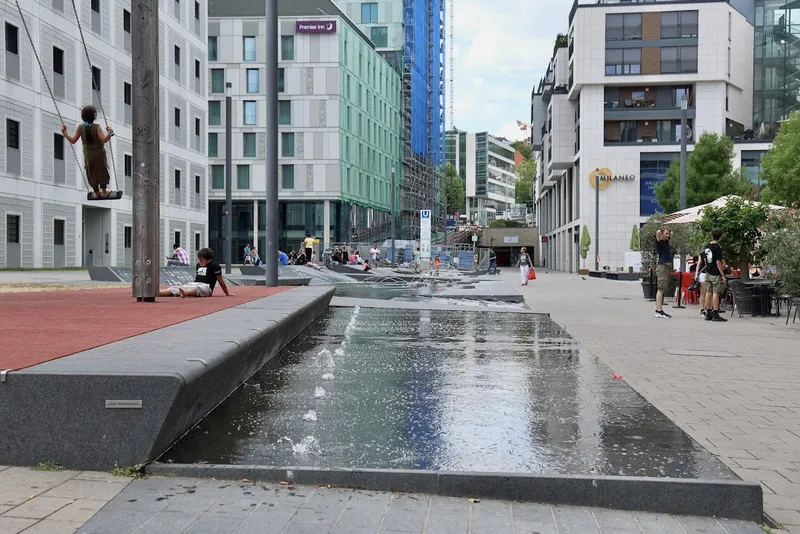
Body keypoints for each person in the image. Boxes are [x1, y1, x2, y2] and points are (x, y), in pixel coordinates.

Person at [61, 106, 115, 199]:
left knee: (91, 171)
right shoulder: (97, 127)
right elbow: (104, 140)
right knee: (101, 171)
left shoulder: (80, 128)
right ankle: (104, 191)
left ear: (83, 117)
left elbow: (73, 140)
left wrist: (64, 132)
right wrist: (110, 133)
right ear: (94, 117)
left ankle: (96, 192)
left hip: (88, 155)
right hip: (99, 154)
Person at [158, 248, 233, 298]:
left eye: (202, 260)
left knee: (197, 288)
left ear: (209, 260)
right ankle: (157, 293)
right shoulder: (198, 265)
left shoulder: (215, 266)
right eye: (199, 260)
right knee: (175, 288)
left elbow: (220, 281)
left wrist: (227, 293)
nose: (199, 262)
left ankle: (186, 293)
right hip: (194, 284)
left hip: (207, 287)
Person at [702, 229, 728, 322]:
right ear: (720, 237)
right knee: (716, 293)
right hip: (715, 273)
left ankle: (708, 312)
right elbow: (718, 262)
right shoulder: (717, 247)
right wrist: (723, 275)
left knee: (708, 292)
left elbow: (705, 260)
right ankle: (715, 313)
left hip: (708, 272)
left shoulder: (707, 246)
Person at [654, 227, 673, 318]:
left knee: (663, 288)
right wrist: (663, 228)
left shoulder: (666, 242)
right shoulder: (659, 242)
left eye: (669, 234)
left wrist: (668, 231)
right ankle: (659, 310)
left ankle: (659, 309)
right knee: (661, 289)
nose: (668, 235)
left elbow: (671, 234)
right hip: (662, 267)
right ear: (662, 234)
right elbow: (658, 233)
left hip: (666, 267)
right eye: (666, 234)